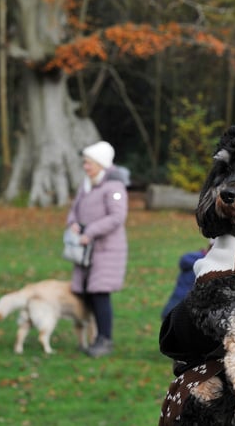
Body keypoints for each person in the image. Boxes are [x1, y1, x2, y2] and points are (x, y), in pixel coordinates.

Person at [66, 141, 129, 358]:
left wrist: (90, 231)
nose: (85, 166)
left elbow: (117, 217)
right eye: (84, 162)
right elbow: (74, 210)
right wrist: (72, 223)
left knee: (100, 293)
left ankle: (105, 339)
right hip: (85, 250)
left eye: (88, 163)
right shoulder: (86, 185)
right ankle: (92, 336)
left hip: (106, 250)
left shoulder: (114, 187)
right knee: (86, 293)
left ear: (101, 164)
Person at [160, 243, 211, 320]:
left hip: (191, 301)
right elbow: (184, 260)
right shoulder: (197, 258)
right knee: (169, 318)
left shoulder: (211, 265)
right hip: (181, 296)